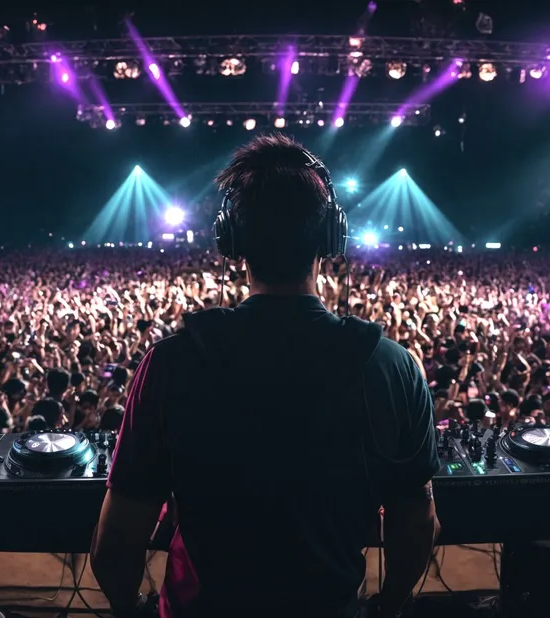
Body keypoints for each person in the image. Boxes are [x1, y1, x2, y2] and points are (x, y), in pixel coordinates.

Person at [91, 134, 440, 618]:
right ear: (330, 239)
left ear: (231, 242)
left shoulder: (172, 363)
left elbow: (116, 541)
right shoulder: (392, 366)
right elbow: (417, 524)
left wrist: (130, 611)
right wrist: (390, 604)